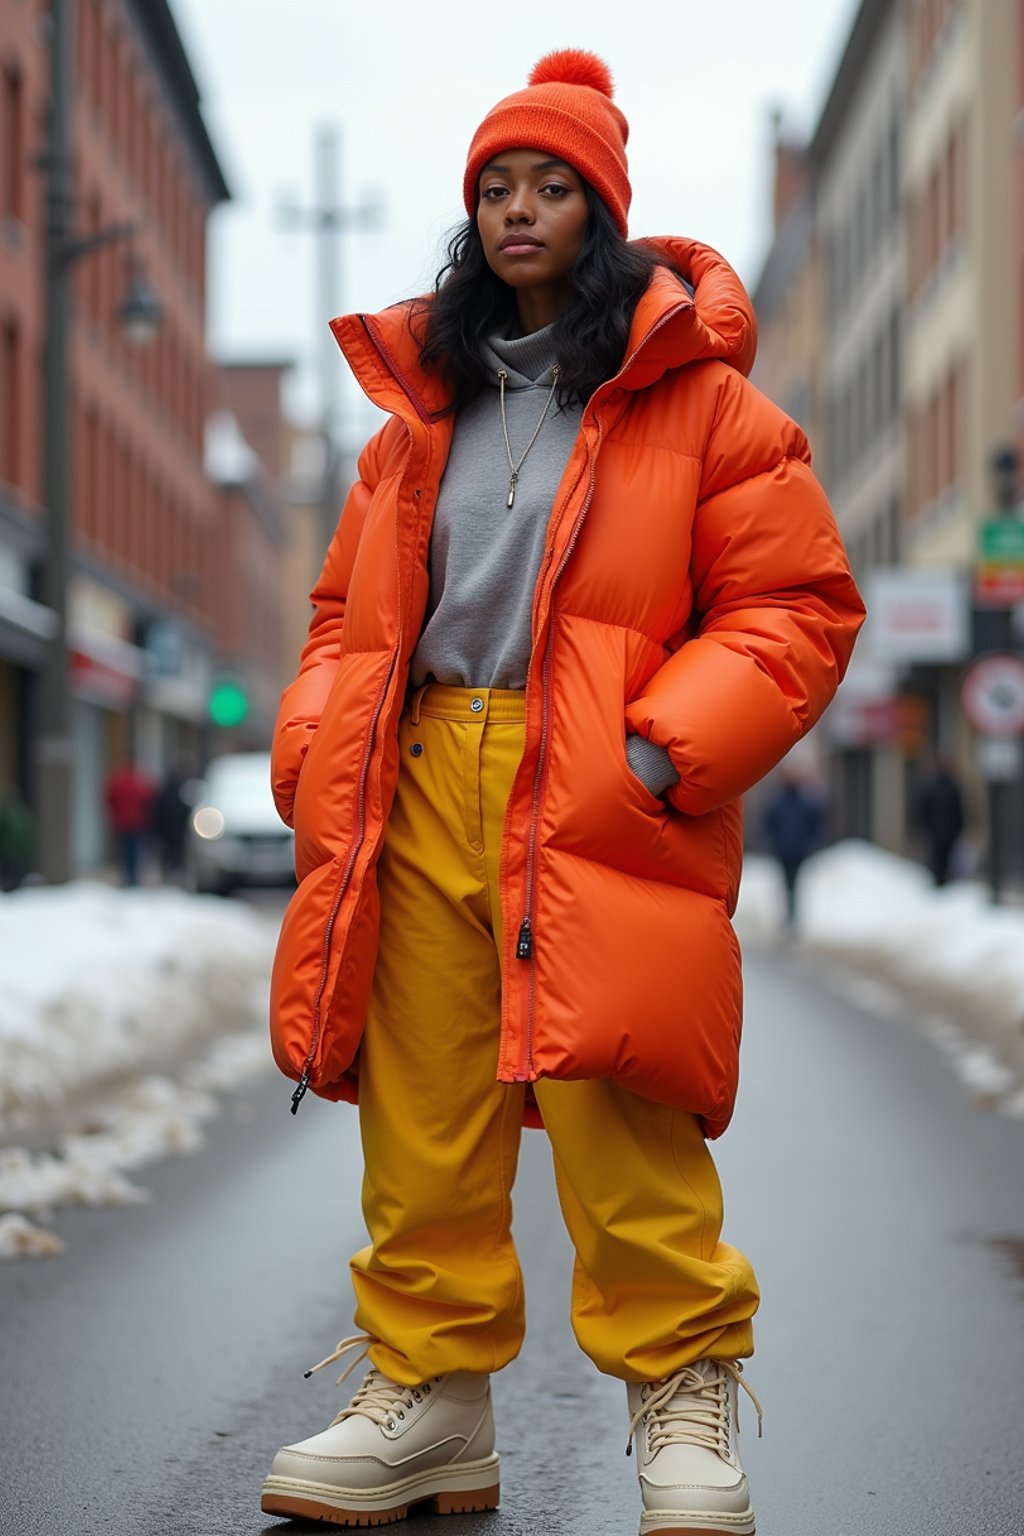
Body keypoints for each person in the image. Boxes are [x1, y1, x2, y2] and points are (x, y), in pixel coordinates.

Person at [263, 51, 865, 1536]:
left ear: (605, 212)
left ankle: (682, 1399)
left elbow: (794, 605)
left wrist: (658, 753)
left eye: (552, 186)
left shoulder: (701, 406)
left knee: (616, 1106)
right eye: (495, 187)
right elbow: (343, 619)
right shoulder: (420, 417)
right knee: (422, 1114)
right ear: (473, 219)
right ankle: (430, 1401)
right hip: (422, 786)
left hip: (596, 778)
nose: (520, 208)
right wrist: (314, 744)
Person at [761, 765, 827, 926]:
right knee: (787, 885)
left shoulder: (803, 803)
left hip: (797, 851)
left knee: (794, 885)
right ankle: (788, 917)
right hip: (784, 851)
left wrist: (811, 843)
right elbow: (769, 823)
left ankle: (792, 918)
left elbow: (816, 823)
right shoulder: (780, 803)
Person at [915, 754, 965, 886]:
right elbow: (959, 811)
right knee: (945, 859)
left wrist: (924, 828)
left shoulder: (932, 787)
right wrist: (959, 828)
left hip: (936, 832)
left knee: (937, 858)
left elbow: (924, 811)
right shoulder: (952, 787)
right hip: (949, 832)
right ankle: (942, 882)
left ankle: (939, 882)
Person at [103, 757, 154, 886]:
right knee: (135, 851)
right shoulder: (140, 782)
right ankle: (134, 877)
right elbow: (149, 801)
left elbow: (110, 798)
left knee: (125, 851)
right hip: (137, 823)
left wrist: (114, 815)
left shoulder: (118, 780)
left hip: (123, 822)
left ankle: (127, 876)